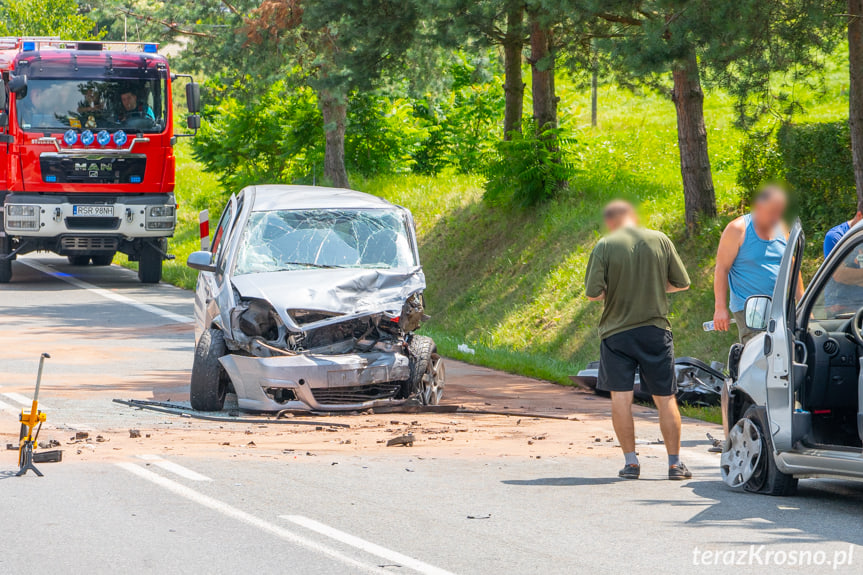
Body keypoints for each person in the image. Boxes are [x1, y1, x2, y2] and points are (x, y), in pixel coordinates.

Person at [585, 200, 692, 481]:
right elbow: (682, 283)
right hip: (655, 330)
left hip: (616, 333)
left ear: (610, 222)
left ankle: (631, 464)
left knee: (621, 397)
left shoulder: (605, 246)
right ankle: (675, 465)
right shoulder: (661, 240)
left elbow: (593, 293)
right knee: (665, 398)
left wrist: (616, 291)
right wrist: (656, 287)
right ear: (633, 217)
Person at [713, 185, 797, 344]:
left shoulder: (781, 228)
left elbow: (792, 267)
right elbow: (721, 269)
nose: (776, 216)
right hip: (750, 309)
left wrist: (802, 300)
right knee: (760, 356)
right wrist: (720, 308)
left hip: (780, 307)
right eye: (772, 211)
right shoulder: (737, 230)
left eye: (779, 211)